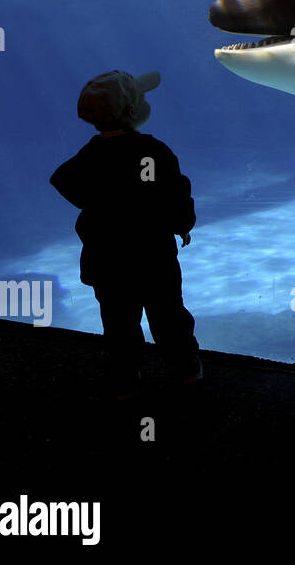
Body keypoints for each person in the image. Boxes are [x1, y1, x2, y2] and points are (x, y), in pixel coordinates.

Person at [50, 70, 202, 397]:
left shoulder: (90, 155)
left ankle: (125, 376)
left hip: (107, 259)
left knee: (119, 322)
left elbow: (62, 179)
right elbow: (176, 194)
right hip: (153, 257)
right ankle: (185, 370)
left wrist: (97, 204)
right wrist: (182, 225)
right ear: (133, 110)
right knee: (168, 316)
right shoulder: (154, 152)